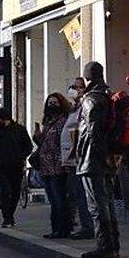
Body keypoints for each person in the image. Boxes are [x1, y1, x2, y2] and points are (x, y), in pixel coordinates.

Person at [76, 62, 121, 258]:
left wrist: (99, 155)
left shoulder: (91, 99)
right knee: (106, 202)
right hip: (104, 158)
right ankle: (113, 243)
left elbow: (93, 131)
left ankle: (105, 245)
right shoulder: (106, 95)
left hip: (92, 159)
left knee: (96, 204)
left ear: (87, 77)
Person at [0, 107, 33, 227]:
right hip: (1, 166)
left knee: (15, 191)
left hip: (16, 165)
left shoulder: (19, 130)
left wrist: (21, 156)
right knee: (5, 190)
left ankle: (10, 214)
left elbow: (28, 146)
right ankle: (6, 217)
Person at [34, 94, 75, 239]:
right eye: (50, 102)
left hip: (58, 167)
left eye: (55, 102)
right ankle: (56, 229)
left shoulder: (63, 121)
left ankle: (63, 229)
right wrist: (37, 136)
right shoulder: (48, 122)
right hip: (46, 167)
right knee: (53, 200)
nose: (52, 105)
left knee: (60, 199)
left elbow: (63, 144)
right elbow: (45, 143)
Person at [62, 78, 94, 239]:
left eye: (76, 87)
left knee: (82, 195)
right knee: (76, 194)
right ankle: (85, 225)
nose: (73, 90)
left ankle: (88, 227)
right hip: (71, 158)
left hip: (78, 157)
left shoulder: (84, 106)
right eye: (72, 87)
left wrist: (74, 151)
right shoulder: (73, 108)